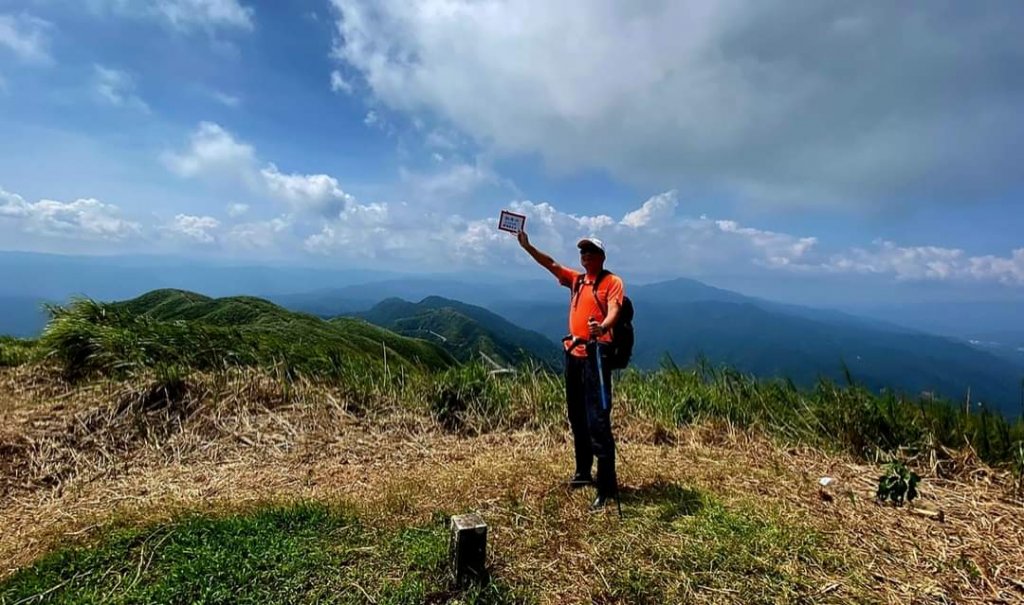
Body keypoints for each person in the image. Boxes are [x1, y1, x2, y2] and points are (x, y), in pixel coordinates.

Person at [517, 229, 624, 510]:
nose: (585, 255)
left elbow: (615, 309)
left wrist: (603, 327)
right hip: (573, 355)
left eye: (590, 251)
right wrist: (528, 247)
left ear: (601, 256)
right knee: (577, 416)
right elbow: (551, 264)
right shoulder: (577, 281)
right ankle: (582, 472)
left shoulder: (612, 282)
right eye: (582, 251)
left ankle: (607, 486)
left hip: (596, 357)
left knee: (597, 420)